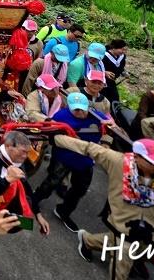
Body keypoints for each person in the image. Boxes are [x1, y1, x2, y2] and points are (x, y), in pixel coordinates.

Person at [53, 135, 154, 280]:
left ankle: (88, 240)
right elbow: (88, 148)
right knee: (122, 261)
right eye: (152, 162)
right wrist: (55, 138)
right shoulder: (118, 161)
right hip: (123, 222)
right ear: (137, 157)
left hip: (150, 230)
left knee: (139, 250)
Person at [0, 131, 50, 280]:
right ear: (8, 146)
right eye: (23, 152)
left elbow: (26, 187)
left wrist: (38, 215)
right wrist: (7, 180)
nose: (25, 156)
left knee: (24, 222)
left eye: (27, 152)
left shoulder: (17, 161)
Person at [33, 92, 108, 232]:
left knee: (80, 188)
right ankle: (35, 198)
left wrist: (105, 142)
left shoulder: (98, 117)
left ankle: (64, 211)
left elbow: (109, 131)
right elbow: (52, 137)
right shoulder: (60, 117)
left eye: (82, 109)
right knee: (52, 181)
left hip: (85, 159)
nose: (79, 112)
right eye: (76, 109)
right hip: (64, 156)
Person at [101, 38, 128, 103]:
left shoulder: (122, 56)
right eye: (122, 49)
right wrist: (104, 72)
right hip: (101, 80)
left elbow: (121, 66)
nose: (123, 52)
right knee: (103, 98)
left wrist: (123, 72)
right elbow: (95, 67)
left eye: (125, 50)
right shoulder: (104, 56)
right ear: (113, 48)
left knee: (114, 99)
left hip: (112, 81)